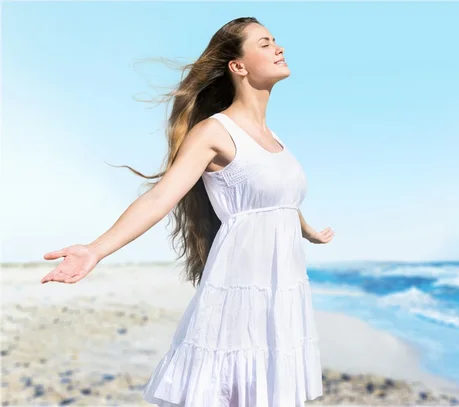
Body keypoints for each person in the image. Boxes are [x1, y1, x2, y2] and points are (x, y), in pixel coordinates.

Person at [40, 16, 334, 407]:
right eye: (264, 43)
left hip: (282, 286)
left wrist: (307, 230)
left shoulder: (273, 137)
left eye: (275, 41)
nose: (278, 48)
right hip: (241, 286)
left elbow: (275, 200)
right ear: (238, 66)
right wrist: (94, 250)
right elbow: (160, 198)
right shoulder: (214, 132)